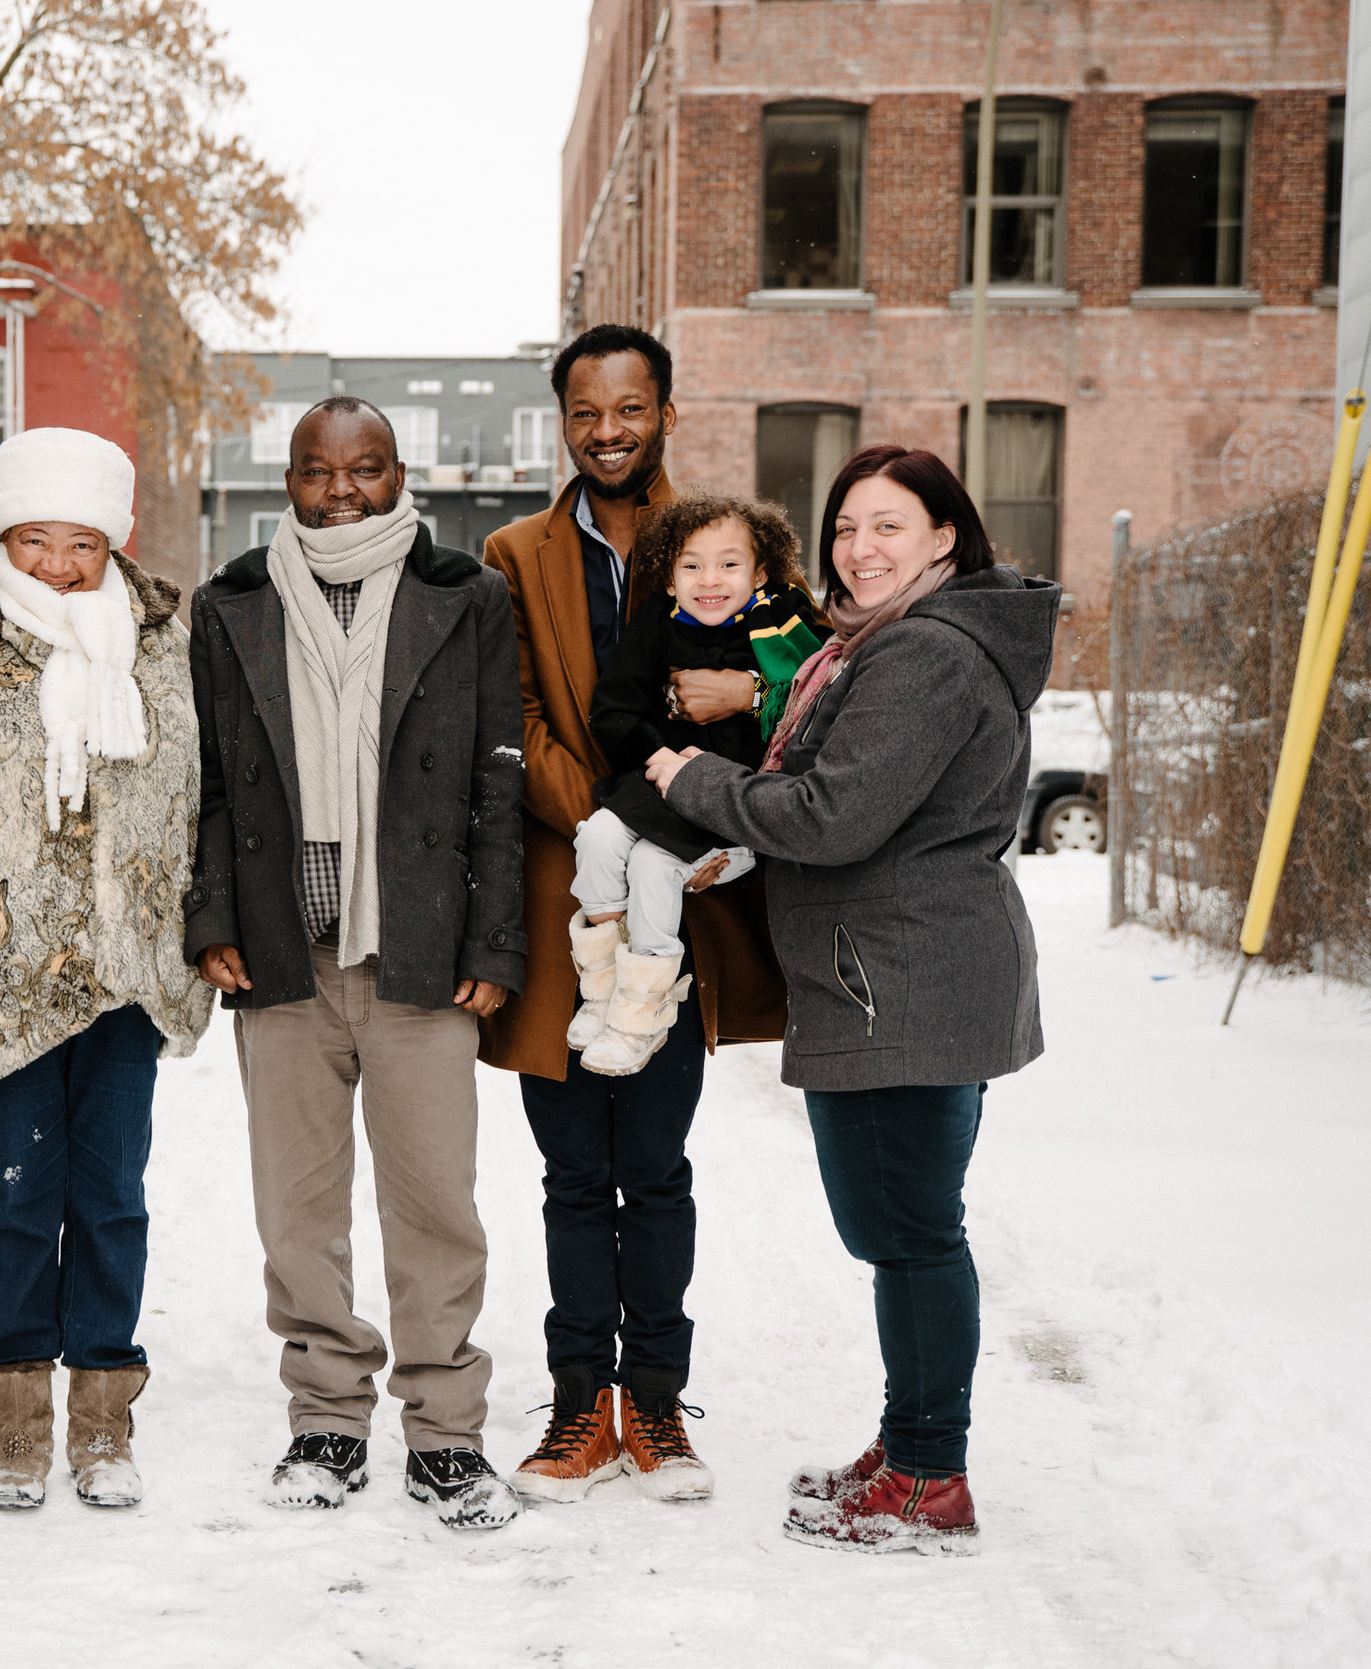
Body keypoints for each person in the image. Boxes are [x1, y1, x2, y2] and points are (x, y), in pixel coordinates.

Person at [649, 444, 1059, 1554]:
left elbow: (832, 815)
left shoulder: (923, 653)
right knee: (902, 1231)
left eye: (887, 526)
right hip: (896, 972)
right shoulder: (888, 643)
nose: (858, 548)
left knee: (913, 1235)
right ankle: (911, 1441)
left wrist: (695, 778)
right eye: (843, 528)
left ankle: (932, 1474)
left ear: (943, 539)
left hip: (902, 982)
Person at [183, 397, 528, 1532]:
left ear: (397, 472)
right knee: (297, 1209)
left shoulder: (466, 595)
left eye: (366, 470)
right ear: (285, 478)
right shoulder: (230, 603)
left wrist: (493, 939)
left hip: (419, 950)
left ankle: (442, 1432)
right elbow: (214, 786)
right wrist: (213, 918)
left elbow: (494, 778)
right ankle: (326, 1420)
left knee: (434, 1203)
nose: (342, 493)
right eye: (318, 473)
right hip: (284, 950)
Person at [479, 324, 783, 1509]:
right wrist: (632, 803)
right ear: (563, 421)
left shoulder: (721, 540)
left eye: (630, 407)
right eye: (585, 411)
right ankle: (573, 1407)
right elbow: (508, 720)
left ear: (666, 412)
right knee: (570, 1174)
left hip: (683, 899)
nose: (608, 429)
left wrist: (738, 719)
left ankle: (652, 1401)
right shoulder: (511, 553)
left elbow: (802, 680)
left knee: (653, 1167)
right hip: (563, 900)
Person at [0, 427, 213, 1512]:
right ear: (1, 531)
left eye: (78, 542)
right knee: (13, 1196)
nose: (53, 564)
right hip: (5, 968)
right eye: (31, 537)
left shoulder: (167, 637)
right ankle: (15, 1418)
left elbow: (202, 786)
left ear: (110, 541)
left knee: (111, 1193)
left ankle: (100, 1418)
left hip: (131, 963)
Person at [567, 496, 825, 1075]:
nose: (710, 581)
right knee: (599, 841)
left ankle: (641, 1011)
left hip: (737, 810)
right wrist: (662, 760)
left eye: (729, 565)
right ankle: (604, 987)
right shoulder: (657, 626)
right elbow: (611, 711)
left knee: (655, 870)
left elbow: (817, 704)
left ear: (761, 572)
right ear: (668, 575)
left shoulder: (785, 630)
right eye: (692, 566)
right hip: (656, 783)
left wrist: (752, 691)